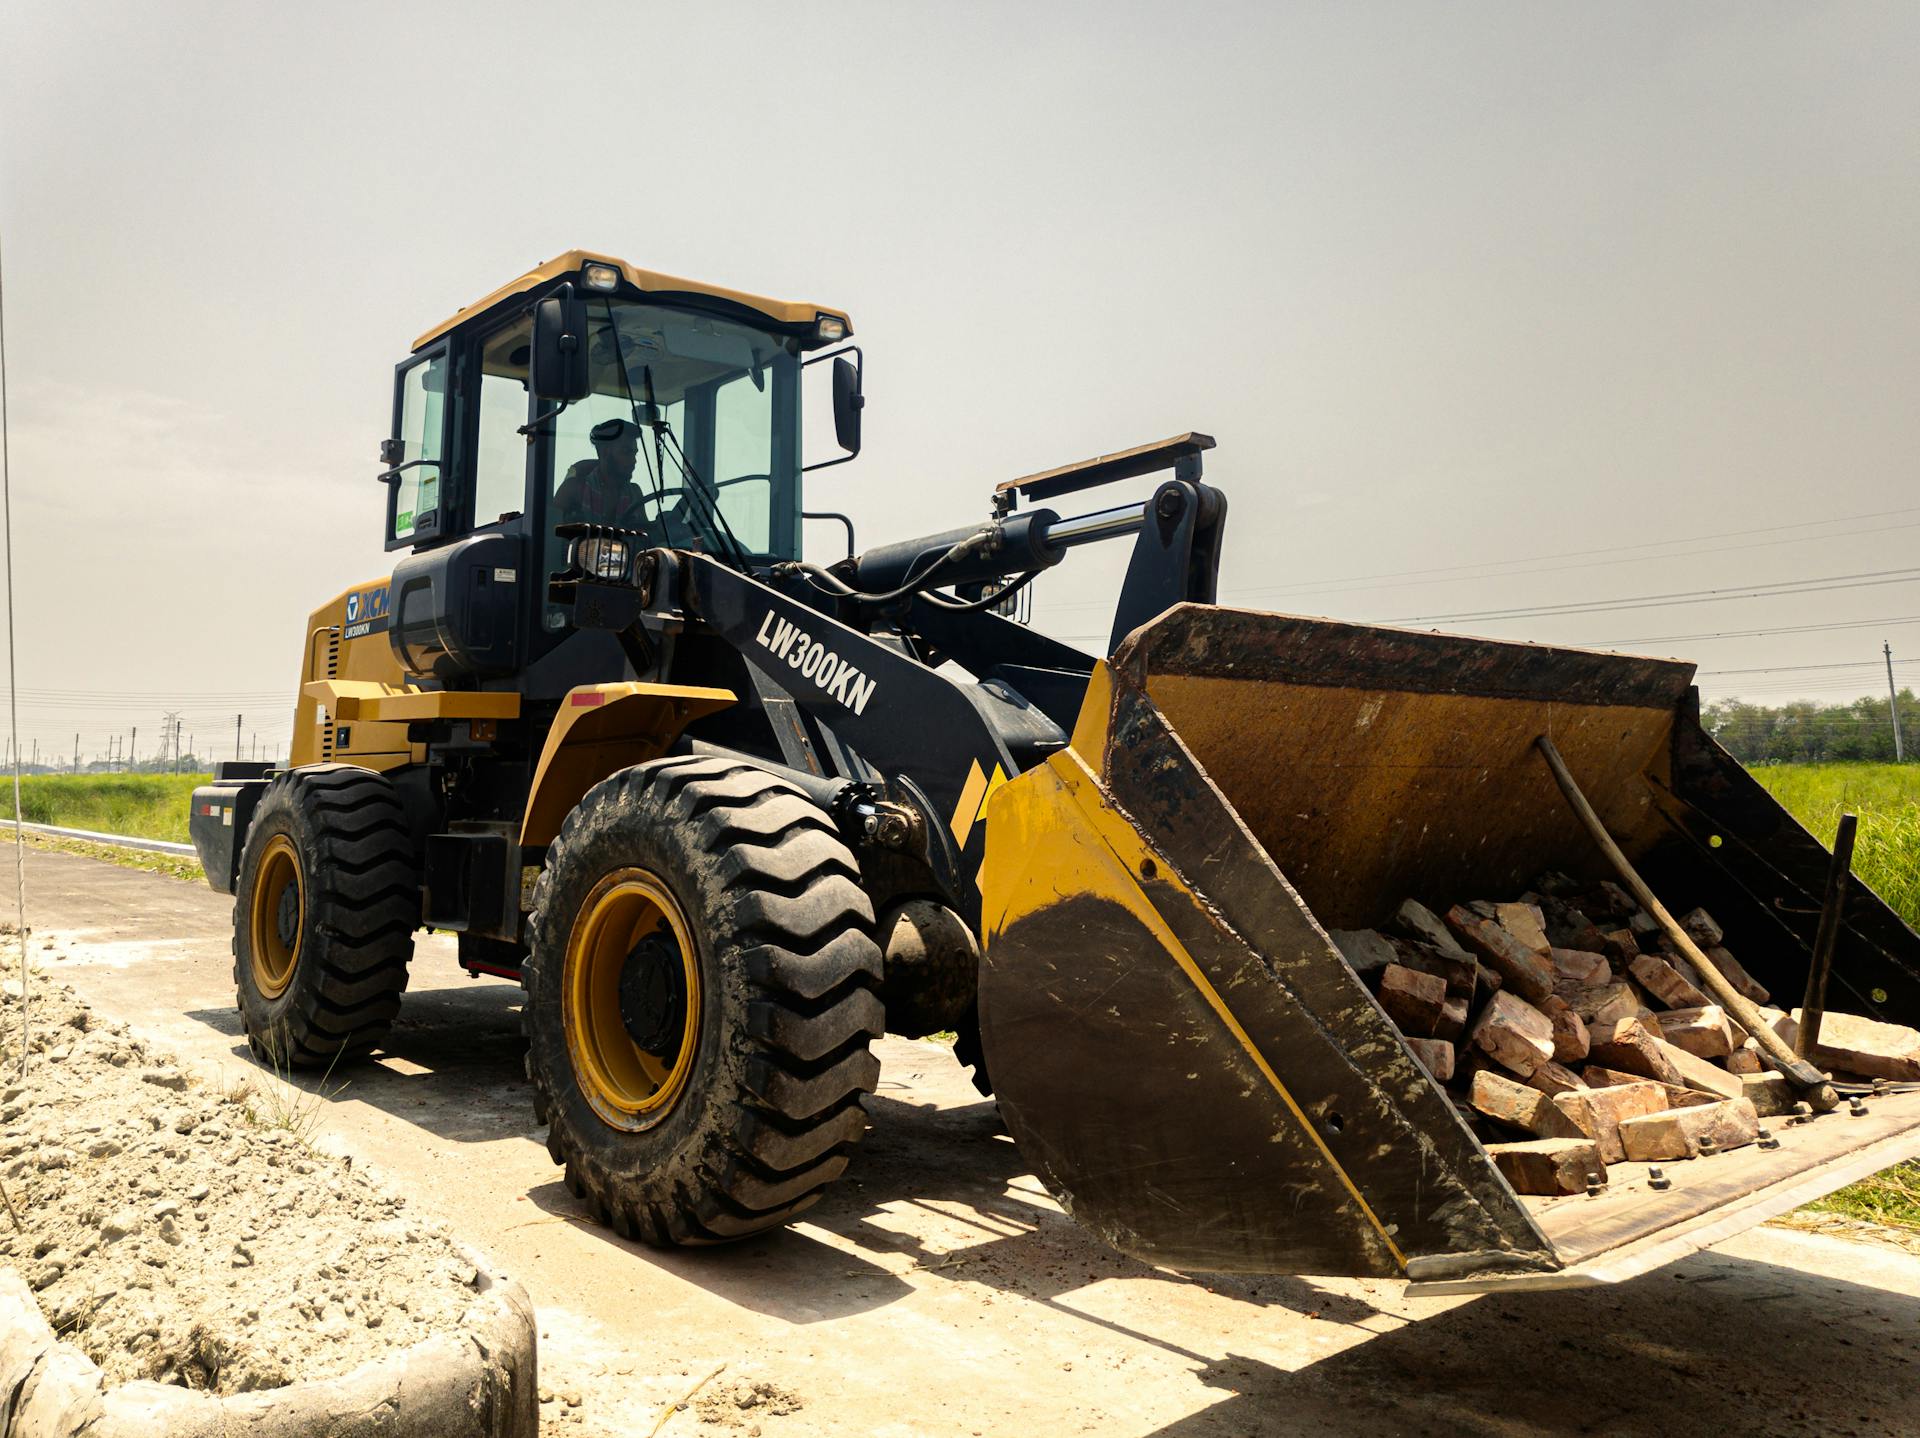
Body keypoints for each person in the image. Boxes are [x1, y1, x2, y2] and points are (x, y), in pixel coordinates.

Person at [552, 418, 649, 530]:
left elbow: (646, 539)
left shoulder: (635, 493)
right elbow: (550, 536)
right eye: (626, 452)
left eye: (634, 453)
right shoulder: (573, 490)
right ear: (605, 452)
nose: (633, 461)